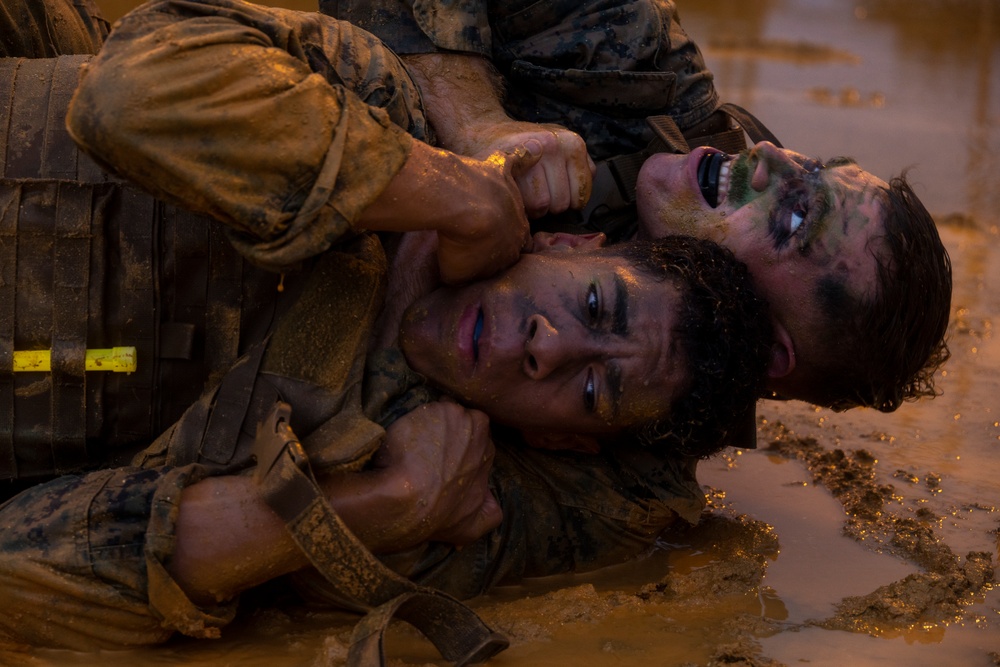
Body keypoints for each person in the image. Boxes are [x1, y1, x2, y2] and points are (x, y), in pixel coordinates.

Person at [0, 0, 773, 652]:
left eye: (594, 386)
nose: (552, 344)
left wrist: (378, 503)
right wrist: (452, 195)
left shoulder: (370, 463)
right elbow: (132, 91)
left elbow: (20, 571)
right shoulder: (379, 102)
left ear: (560, 439)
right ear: (569, 243)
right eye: (596, 306)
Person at [329, 0, 953, 413]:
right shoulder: (642, 73)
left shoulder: (628, 443)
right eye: (811, 167)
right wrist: (472, 121)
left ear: (766, 351)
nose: (767, 155)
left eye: (793, 219)